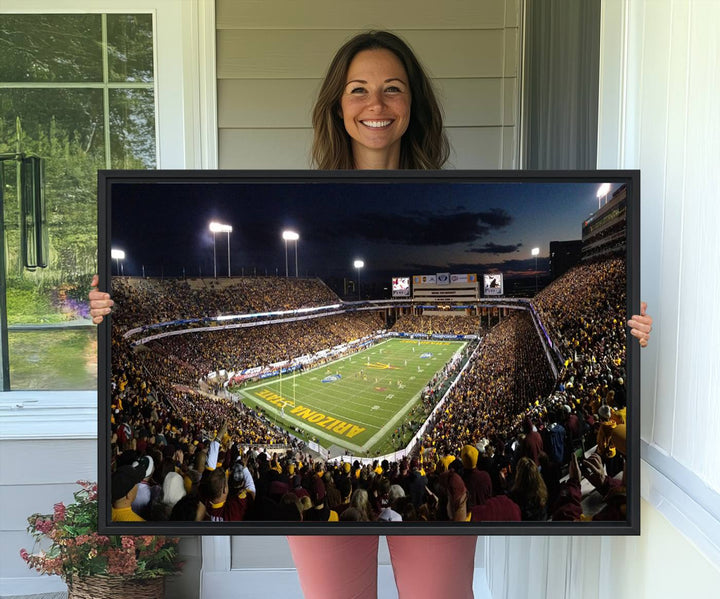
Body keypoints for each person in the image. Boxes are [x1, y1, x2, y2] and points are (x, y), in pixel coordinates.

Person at [90, 29, 654, 599]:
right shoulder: (303, 194)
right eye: (358, 89)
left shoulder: (451, 188)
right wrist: (107, 312)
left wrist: (626, 334)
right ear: (338, 104)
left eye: (393, 89)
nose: (375, 104)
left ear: (414, 105)